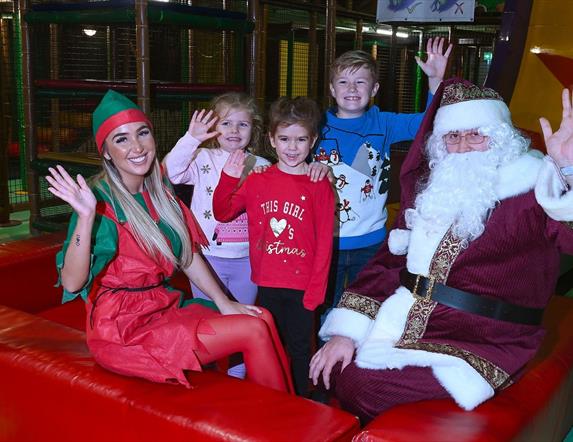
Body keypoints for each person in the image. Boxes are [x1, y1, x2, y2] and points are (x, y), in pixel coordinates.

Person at [309, 79, 573, 423]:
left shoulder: (536, 183)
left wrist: (567, 171)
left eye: (475, 134)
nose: (462, 147)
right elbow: (388, 262)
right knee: (330, 363)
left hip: (485, 336)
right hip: (407, 319)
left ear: (500, 138)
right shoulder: (434, 189)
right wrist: (346, 331)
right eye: (452, 136)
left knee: (361, 383)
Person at [47, 89, 293, 393]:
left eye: (142, 133)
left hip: (161, 306)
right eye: (121, 139)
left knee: (262, 316)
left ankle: (287, 412)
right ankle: (278, 423)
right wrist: (85, 217)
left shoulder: (159, 193)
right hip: (125, 328)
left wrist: (223, 301)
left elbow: (187, 257)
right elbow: (72, 283)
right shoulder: (99, 202)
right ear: (107, 152)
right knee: (254, 329)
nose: (137, 146)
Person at [315, 38, 453, 325]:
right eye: (343, 82)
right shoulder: (316, 127)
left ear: (374, 89)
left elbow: (428, 123)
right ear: (331, 89)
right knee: (325, 308)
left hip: (372, 240)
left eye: (361, 82)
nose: (352, 89)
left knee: (369, 306)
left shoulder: (383, 123)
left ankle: (358, 362)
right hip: (326, 241)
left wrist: (436, 81)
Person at [213, 97, 335, 397]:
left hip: (302, 286)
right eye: (284, 139)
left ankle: (304, 401)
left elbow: (324, 244)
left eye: (300, 139)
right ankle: (273, 397)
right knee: (268, 344)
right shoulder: (258, 180)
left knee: (300, 347)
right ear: (271, 139)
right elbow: (223, 212)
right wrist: (229, 177)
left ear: (313, 140)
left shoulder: (319, 184)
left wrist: (316, 292)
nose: (292, 148)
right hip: (266, 282)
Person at [163, 93, 270, 378]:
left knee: (242, 319)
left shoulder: (260, 164)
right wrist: (192, 138)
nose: (234, 131)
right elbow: (170, 172)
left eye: (243, 124)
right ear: (214, 128)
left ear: (254, 129)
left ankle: (237, 373)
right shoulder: (202, 158)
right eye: (226, 123)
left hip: (247, 260)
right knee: (209, 319)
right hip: (208, 258)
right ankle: (206, 372)